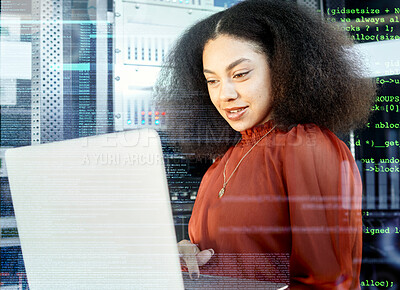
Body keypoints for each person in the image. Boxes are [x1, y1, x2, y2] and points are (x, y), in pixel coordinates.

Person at [154, 0, 376, 288]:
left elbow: (329, 282)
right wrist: (187, 258)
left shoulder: (307, 146)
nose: (225, 94)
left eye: (240, 74)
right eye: (212, 81)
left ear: (284, 69)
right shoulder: (222, 161)